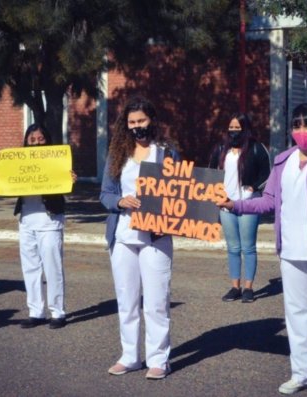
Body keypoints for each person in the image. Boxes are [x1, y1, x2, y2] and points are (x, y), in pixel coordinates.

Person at [218, 104, 307, 397]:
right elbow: (268, 201)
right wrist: (235, 205)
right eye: (297, 126)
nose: (302, 132)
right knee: (296, 314)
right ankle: (301, 374)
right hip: (291, 251)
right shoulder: (283, 161)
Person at [100, 95, 178, 380]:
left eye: (141, 121)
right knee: (127, 299)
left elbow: (181, 190)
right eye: (132, 122)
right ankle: (130, 356)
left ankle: (159, 358)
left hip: (155, 236)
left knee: (156, 301)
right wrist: (121, 201)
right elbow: (105, 194)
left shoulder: (166, 151)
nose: (137, 127)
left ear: (152, 120)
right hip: (123, 236)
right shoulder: (117, 153)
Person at [0, 124, 76, 329]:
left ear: (47, 140)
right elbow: (7, 185)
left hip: (50, 221)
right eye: (33, 140)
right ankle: (36, 312)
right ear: (26, 141)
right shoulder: (18, 162)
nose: (37, 143)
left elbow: (66, 187)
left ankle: (58, 312)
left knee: (52, 267)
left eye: (41, 139)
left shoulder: (57, 162)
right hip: (27, 221)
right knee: (30, 268)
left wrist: (70, 179)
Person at [209, 113, 270, 303]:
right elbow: (211, 172)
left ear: (246, 129)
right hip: (225, 205)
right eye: (231, 128)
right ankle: (235, 287)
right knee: (233, 248)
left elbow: (267, 173)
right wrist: (214, 193)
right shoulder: (221, 149)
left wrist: (255, 186)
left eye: (238, 128)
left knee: (248, 247)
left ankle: (248, 288)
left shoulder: (256, 148)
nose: (234, 132)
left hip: (249, 204)